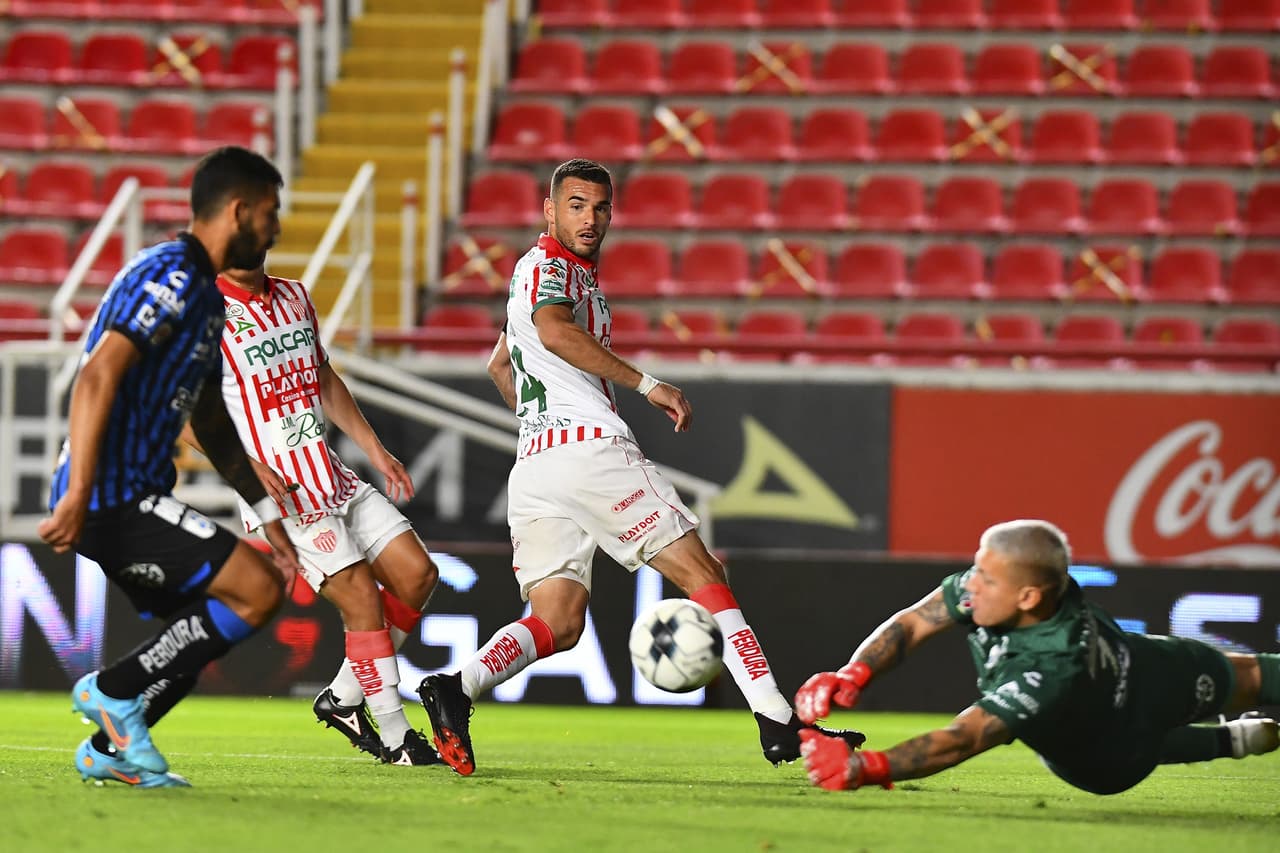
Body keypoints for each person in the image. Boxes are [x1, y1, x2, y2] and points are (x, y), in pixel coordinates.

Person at [416, 158, 864, 776]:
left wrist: (545, 427)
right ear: (549, 211)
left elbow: (502, 364)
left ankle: (454, 688)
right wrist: (646, 384)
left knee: (558, 619)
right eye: (575, 205)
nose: (590, 219)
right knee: (703, 571)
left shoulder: (534, 274)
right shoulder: (553, 270)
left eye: (600, 207)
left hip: (537, 463)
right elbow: (550, 332)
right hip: (591, 450)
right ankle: (779, 722)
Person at [39, 145, 303, 789]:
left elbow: (210, 419)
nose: (276, 228)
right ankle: (113, 691)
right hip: (111, 495)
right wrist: (77, 493)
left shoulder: (207, 299)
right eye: (270, 213)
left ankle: (110, 750)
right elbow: (99, 373)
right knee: (257, 590)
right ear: (238, 211)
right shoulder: (172, 275)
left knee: (214, 617)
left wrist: (266, 511)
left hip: (130, 492)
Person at [794, 519, 1280, 795]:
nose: (971, 585)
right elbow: (918, 620)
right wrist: (856, 672)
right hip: (1117, 721)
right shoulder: (1019, 588)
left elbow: (965, 737)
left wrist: (867, 768)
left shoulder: (1049, 668)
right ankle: (1233, 741)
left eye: (987, 578)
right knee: (1160, 725)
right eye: (977, 568)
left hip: (1128, 708)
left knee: (1252, 674)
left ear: (1028, 598)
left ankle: (1230, 742)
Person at [179, 261, 441, 765]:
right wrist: (245, 466)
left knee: (418, 574)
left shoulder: (295, 295)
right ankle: (395, 736)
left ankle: (342, 698)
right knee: (362, 598)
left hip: (331, 472)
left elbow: (322, 376)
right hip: (280, 495)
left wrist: (374, 447)